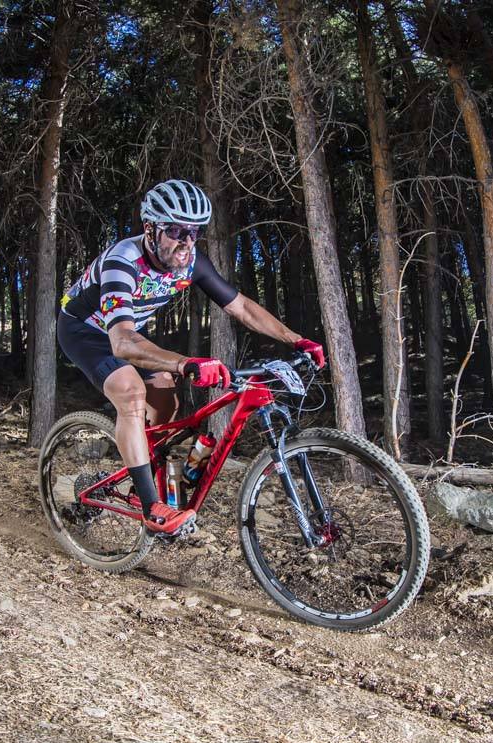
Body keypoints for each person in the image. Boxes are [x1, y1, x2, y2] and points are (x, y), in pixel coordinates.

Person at [57, 179, 325, 537]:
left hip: (128, 329)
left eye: (194, 232)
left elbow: (241, 307)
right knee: (131, 392)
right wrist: (186, 362)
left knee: (166, 401)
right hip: (86, 330)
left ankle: (141, 472)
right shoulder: (123, 261)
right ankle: (153, 508)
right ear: (150, 229)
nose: (186, 242)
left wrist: (297, 340)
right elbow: (121, 343)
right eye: (176, 231)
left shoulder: (191, 261)